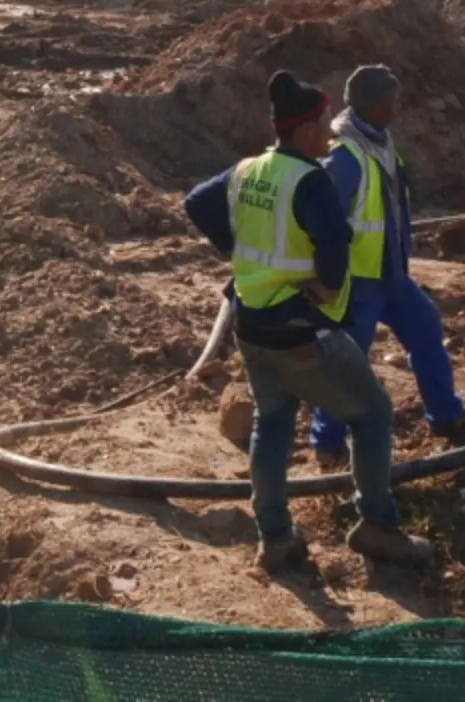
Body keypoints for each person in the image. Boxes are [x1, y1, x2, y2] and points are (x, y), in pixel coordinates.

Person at [184, 70, 434, 571]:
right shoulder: (311, 180)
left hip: (252, 325)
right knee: (373, 414)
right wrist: (324, 288)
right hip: (300, 330)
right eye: (323, 125)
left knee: (273, 424)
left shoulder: (249, 169)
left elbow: (196, 202)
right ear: (304, 132)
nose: (330, 133)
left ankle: (276, 537)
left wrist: (236, 252)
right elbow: (336, 248)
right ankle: (378, 526)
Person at [309, 66, 465, 465]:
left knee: (427, 329)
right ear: (374, 106)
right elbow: (323, 221)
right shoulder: (346, 155)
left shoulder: (378, 140)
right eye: (391, 101)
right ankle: (327, 446)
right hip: (359, 282)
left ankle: (447, 417)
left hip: (391, 274)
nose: (397, 107)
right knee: (347, 364)